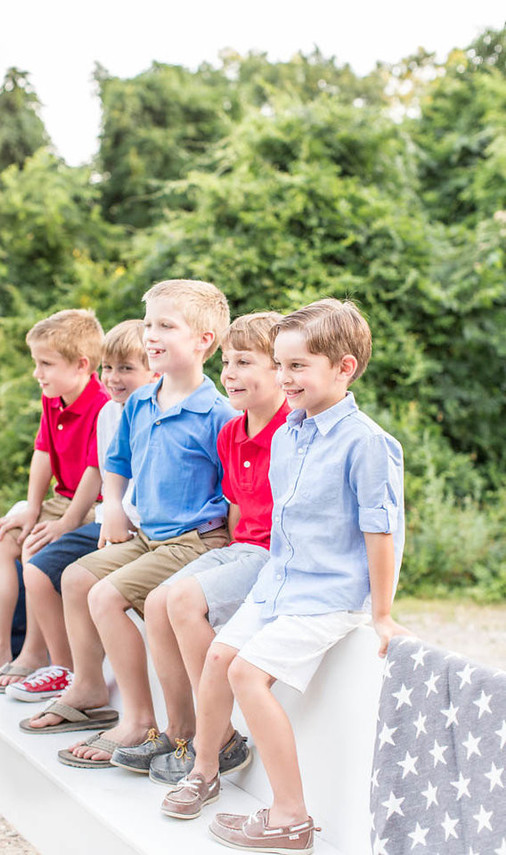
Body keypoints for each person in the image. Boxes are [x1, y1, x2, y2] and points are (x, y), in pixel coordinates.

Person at [160, 298, 410, 855]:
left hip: (328, 595)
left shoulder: (368, 443)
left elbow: (382, 531)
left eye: (298, 366)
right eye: (280, 364)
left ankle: (291, 817)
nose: (284, 377)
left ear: (344, 368)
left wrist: (384, 614)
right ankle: (205, 770)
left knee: (248, 674)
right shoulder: (289, 432)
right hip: (280, 582)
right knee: (220, 659)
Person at [21, 279, 235, 771]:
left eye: (165, 325)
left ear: (203, 340)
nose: (151, 335)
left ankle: (140, 720)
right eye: (148, 324)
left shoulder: (217, 413)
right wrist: (113, 503)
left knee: (105, 595)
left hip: (194, 541)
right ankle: (91, 688)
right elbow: (115, 463)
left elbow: (234, 494)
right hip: (147, 536)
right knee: (75, 577)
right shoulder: (140, 402)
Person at [111, 312, 289, 780]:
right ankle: (180, 730)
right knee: (156, 601)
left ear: (282, 370)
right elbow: (235, 510)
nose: (229, 373)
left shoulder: (294, 431)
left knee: (185, 598)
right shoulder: (232, 431)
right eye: (227, 362)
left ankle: (222, 738)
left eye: (245, 362)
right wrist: (219, 564)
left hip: (275, 555)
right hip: (240, 548)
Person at [0, 309, 109, 688]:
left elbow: (95, 472)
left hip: (93, 508)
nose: (37, 373)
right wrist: (32, 507)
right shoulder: (54, 398)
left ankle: (38, 653)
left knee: (35, 549)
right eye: (37, 363)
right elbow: (43, 452)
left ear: (81, 365)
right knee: (0, 537)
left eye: (45, 364)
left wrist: (63, 523)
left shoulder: (102, 404)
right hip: (61, 501)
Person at [3, 320, 157, 702]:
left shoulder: (141, 411)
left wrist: (71, 522)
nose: (114, 378)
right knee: (36, 561)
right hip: (110, 519)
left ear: (154, 369)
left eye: (126, 368)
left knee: (64, 573)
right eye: (109, 368)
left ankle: (77, 675)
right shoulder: (112, 414)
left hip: (134, 528)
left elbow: (100, 477)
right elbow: (111, 474)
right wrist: (37, 509)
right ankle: (63, 668)